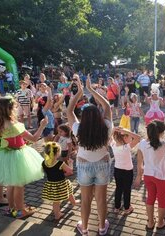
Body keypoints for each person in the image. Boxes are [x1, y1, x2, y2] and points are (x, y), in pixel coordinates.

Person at [0, 97, 48, 219]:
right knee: (19, 185)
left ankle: (12, 208)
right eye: (14, 107)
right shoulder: (15, 125)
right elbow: (34, 138)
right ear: (9, 109)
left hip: (4, 155)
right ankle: (21, 211)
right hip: (17, 156)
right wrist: (42, 125)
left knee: (10, 184)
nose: (16, 108)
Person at [67, 76, 112, 236]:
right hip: (102, 164)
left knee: (85, 200)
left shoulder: (78, 128)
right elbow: (107, 105)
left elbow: (69, 111)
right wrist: (91, 90)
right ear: (98, 115)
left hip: (84, 165)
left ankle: (84, 229)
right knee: (101, 199)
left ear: (83, 117)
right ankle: (101, 228)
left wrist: (79, 92)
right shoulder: (106, 126)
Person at [134, 119, 165, 230]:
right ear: (161, 133)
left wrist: (138, 176)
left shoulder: (142, 143)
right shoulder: (163, 144)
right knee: (162, 199)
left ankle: (150, 223)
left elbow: (139, 162)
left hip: (148, 175)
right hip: (162, 177)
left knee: (150, 198)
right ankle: (160, 223)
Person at [41, 142, 78, 220]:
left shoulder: (44, 163)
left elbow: (46, 172)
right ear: (57, 152)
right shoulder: (60, 163)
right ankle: (57, 215)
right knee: (68, 193)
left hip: (51, 185)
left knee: (56, 200)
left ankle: (73, 202)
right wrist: (71, 164)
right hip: (61, 184)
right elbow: (70, 171)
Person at [111, 127, 141, 214]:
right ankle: (127, 208)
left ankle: (117, 207)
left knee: (119, 188)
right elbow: (138, 138)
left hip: (117, 170)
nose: (130, 138)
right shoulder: (126, 147)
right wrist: (126, 131)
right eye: (128, 136)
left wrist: (113, 131)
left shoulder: (113, 145)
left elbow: (108, 138)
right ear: (124, 138)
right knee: (127, 190)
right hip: (127, 172)